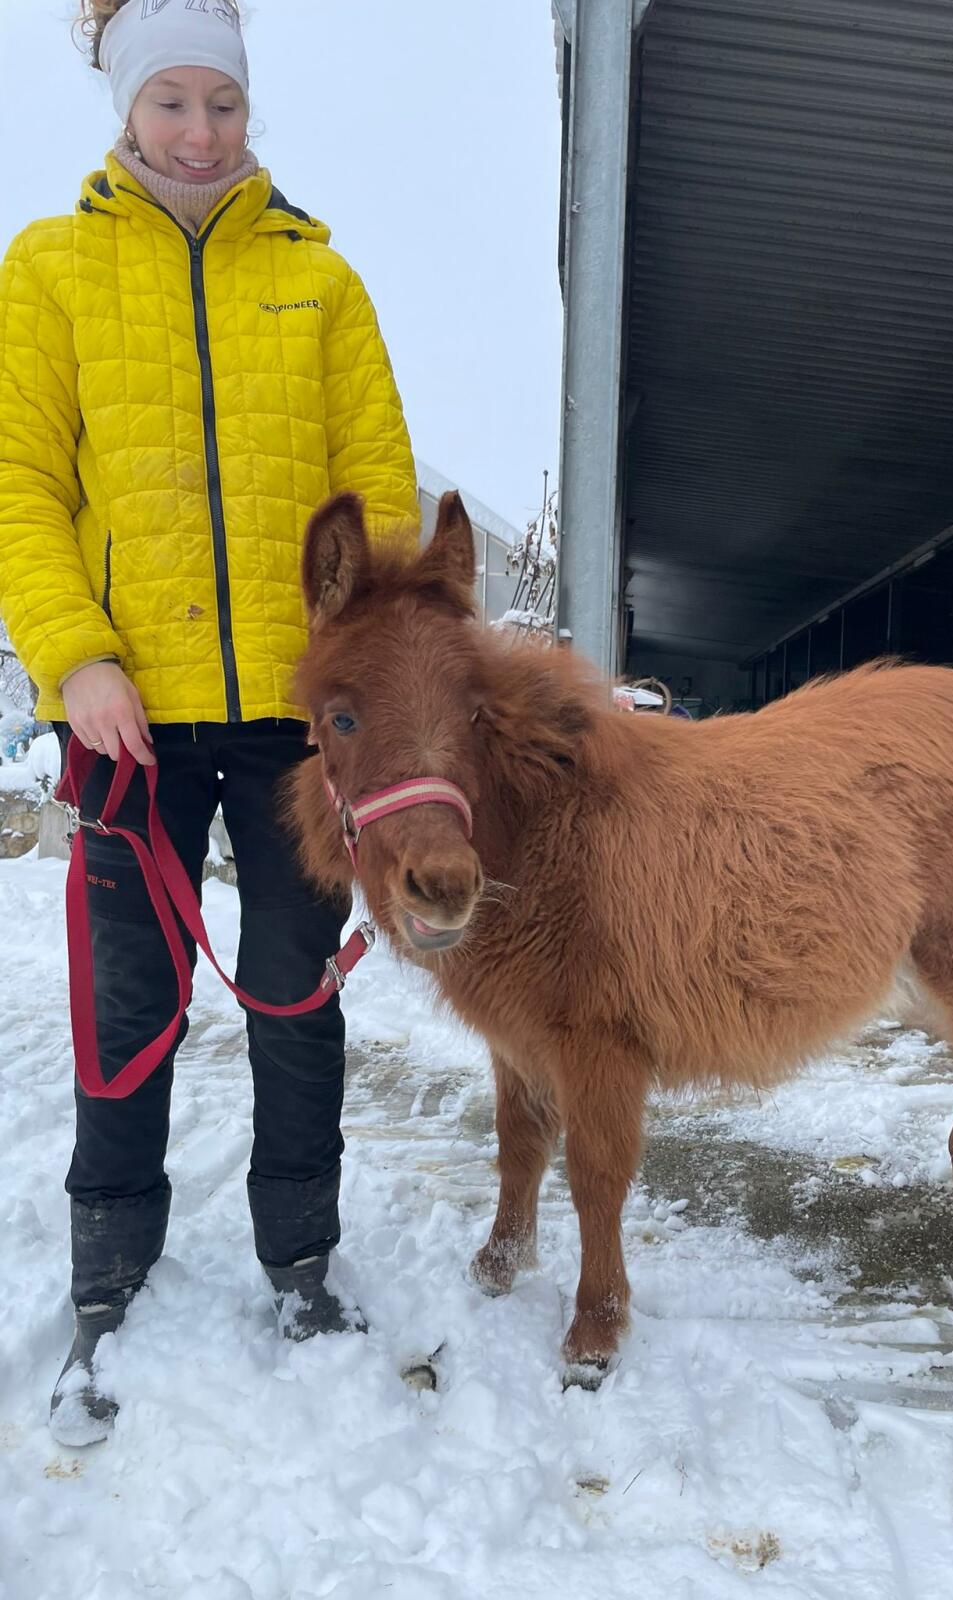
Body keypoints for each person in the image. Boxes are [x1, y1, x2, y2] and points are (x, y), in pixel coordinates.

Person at [0, 0, 419, 1446]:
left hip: (300, 726)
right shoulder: (50, 269)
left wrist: (361, 684)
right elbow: (22, 494)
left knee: (298, 994)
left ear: (249, 113)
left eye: (221, 105)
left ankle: (300, 1252)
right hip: (131, 722)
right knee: (134, 999)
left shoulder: (323, 279)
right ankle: (113, 1248)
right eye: (171, 102)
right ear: (125, 108)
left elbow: (378, 499)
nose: (199, 131)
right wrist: (75, 661)